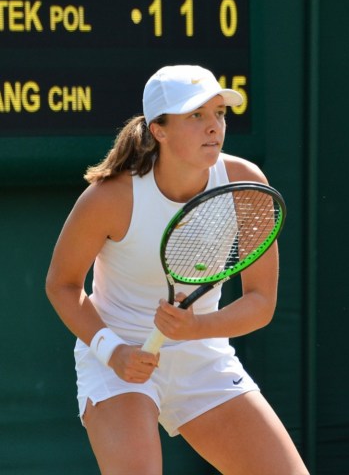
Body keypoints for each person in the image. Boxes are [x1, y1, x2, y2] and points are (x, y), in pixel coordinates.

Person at [45, 65, 309, 475]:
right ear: (158, 131)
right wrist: (112, 351)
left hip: (204, 357)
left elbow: (261, 303)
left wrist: (195, 329)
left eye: (219, 113)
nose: (214, 127)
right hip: (120, 358)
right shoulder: (110, 198)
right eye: (196, 116)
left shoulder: (245, 184)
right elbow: (61, 285)